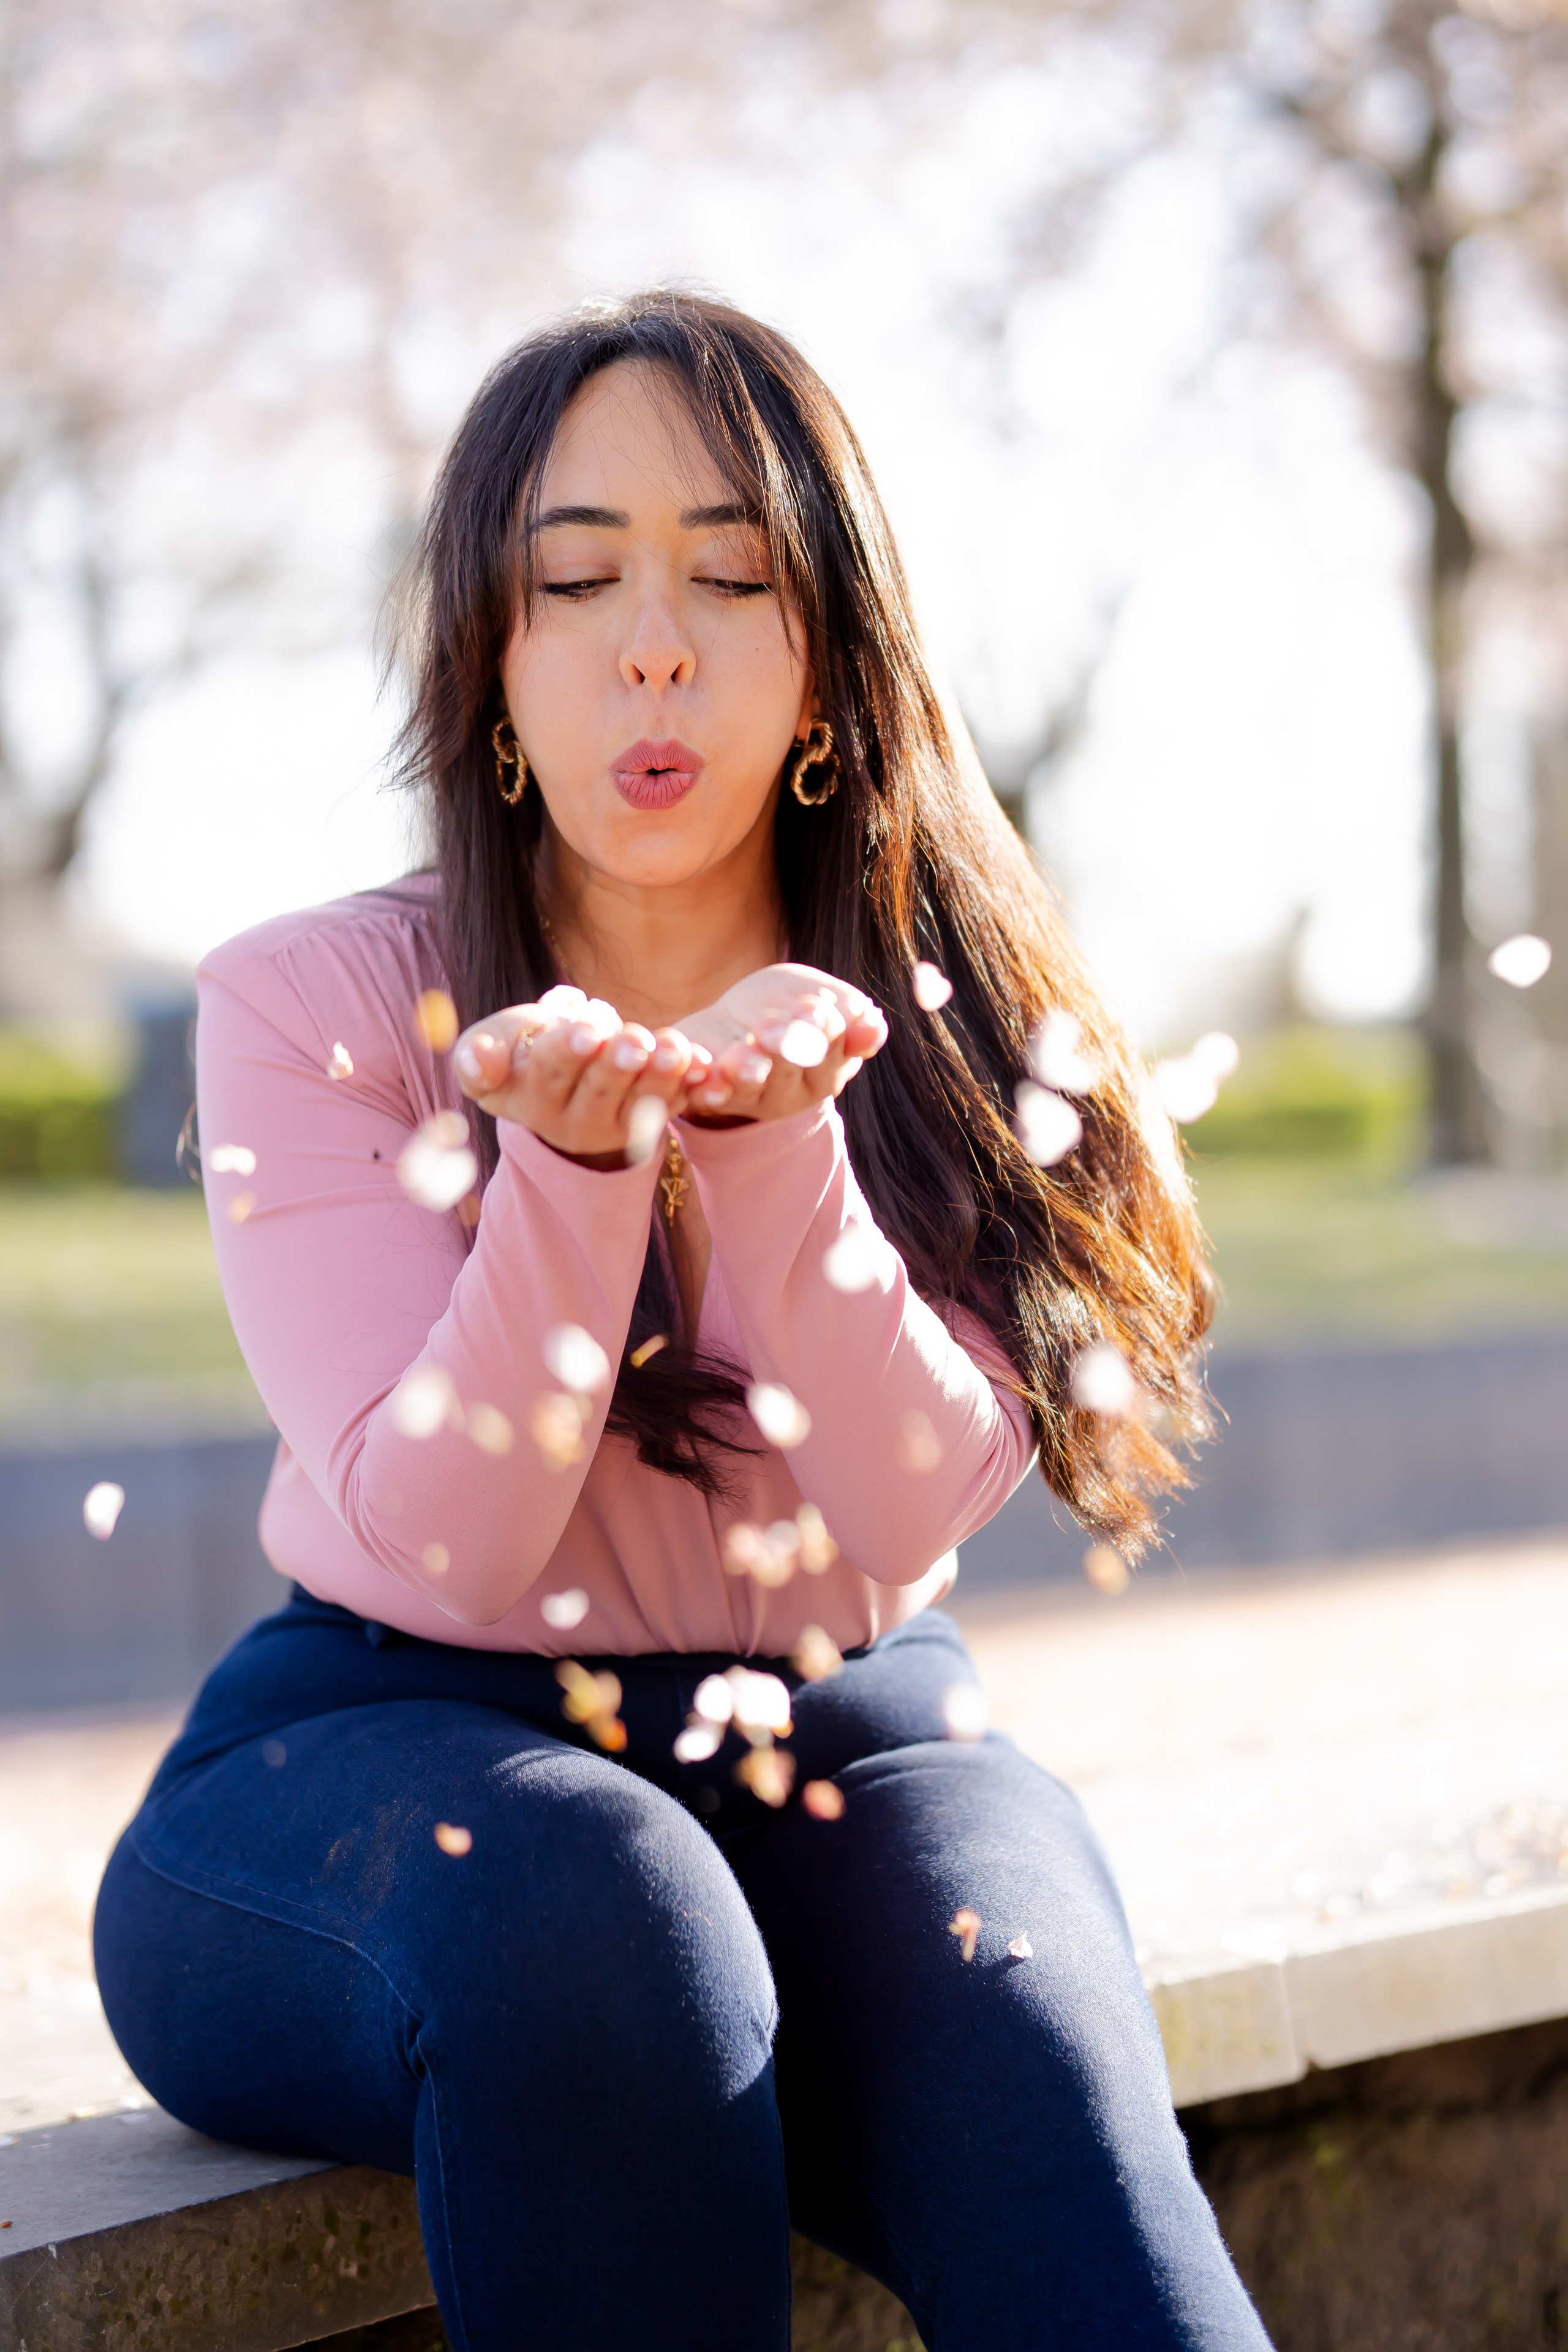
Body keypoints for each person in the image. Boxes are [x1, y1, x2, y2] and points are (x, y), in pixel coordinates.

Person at [93, 291, 1269, 2351]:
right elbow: (446, 1535)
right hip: (379, 1751)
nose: (657, 641)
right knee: (602, 1910)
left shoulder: (966, 1025)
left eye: (733, 576)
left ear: (827, 661)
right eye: (579, 581)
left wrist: (765, 1139)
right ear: (493, 667)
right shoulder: (311, 1010)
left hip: (850, 1727)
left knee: (1015, 1984)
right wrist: (570, 1170)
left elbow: (911, 1514)